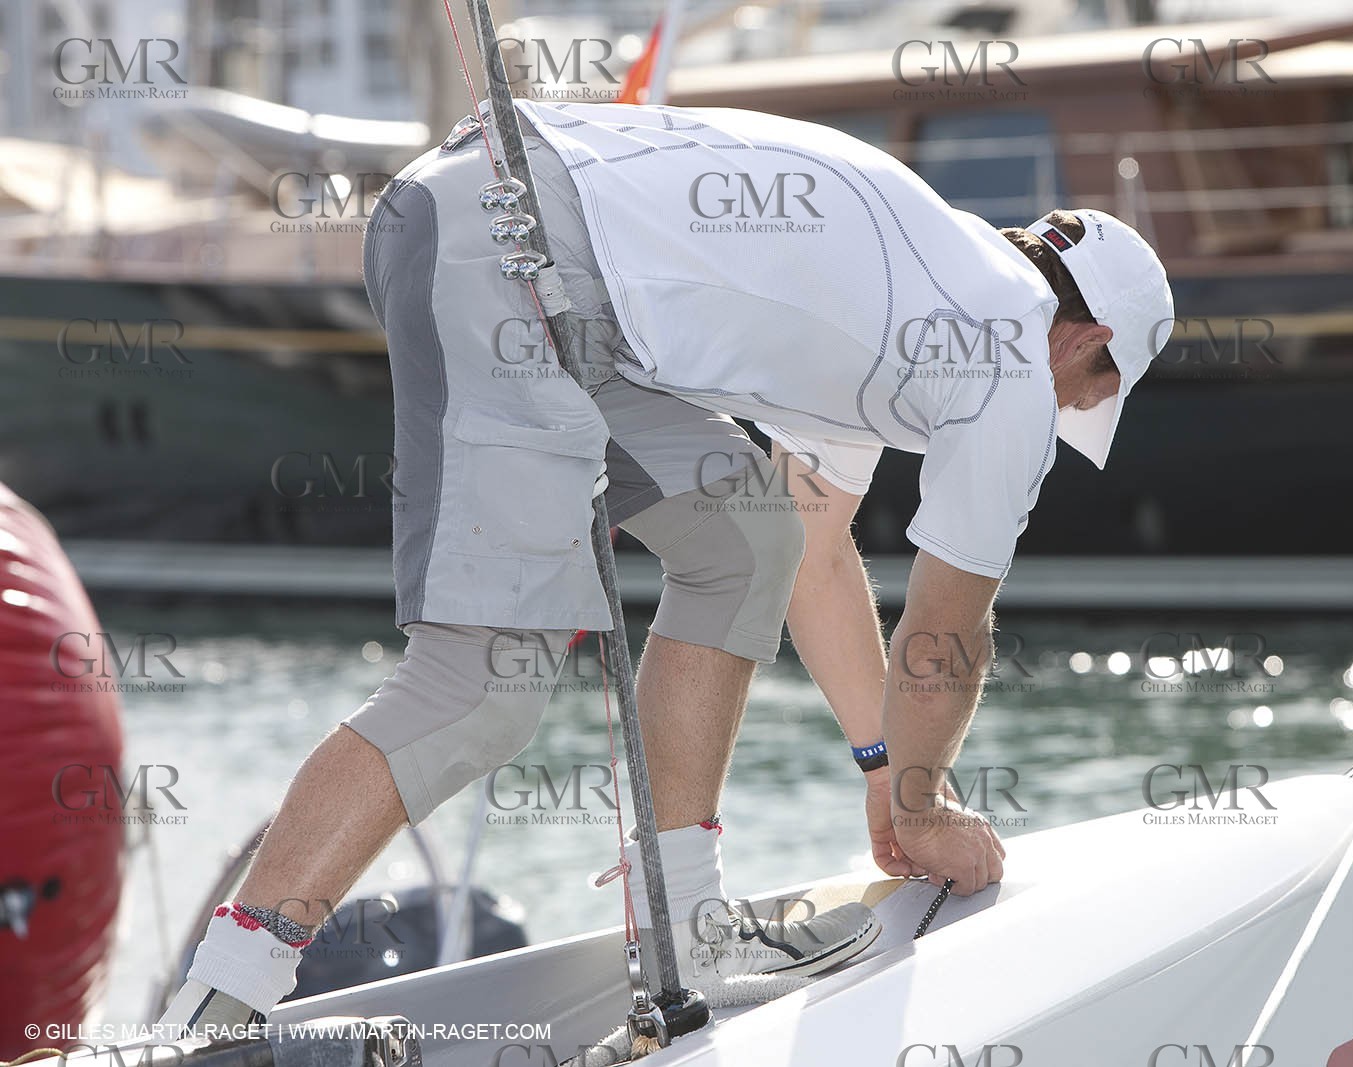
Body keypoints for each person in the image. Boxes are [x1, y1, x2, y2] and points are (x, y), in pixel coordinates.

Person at [157, 100, 1174, 1032]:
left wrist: (883, 772)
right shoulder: (1003, 357)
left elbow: (814, 558)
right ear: (1081, 337)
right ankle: (218, 1001)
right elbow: (947, 637)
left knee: (747, 540)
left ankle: (682, 927)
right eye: (1096, 388)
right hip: (508, 246)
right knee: (477, 690)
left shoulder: (928, 295)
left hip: (517, 233)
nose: (1080, 413)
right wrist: (923, 805)